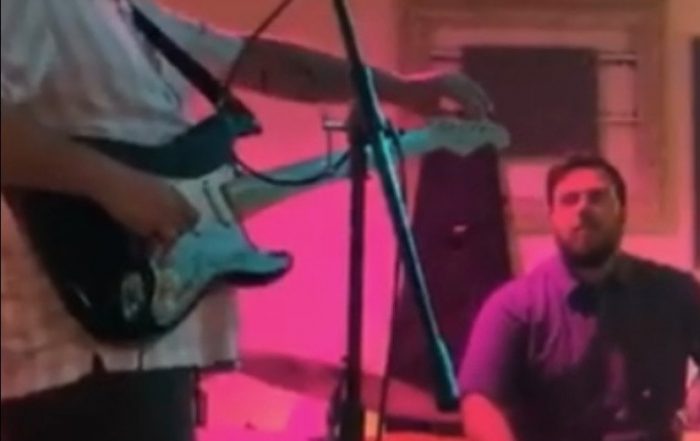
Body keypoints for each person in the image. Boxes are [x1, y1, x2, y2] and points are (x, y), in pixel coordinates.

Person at [0, 1, 493, 440]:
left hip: (149, 339)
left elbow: (258, 63)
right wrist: (115, 185)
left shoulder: (130, 13)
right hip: (77, 348)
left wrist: (396, 89)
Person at [458, 155, 700, 441]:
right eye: (569, 200)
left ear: (622, 210)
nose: (583, 208)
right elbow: (479, 403)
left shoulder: (676, 291)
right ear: (552, 216)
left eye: (597, 197)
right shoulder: (512, 306)